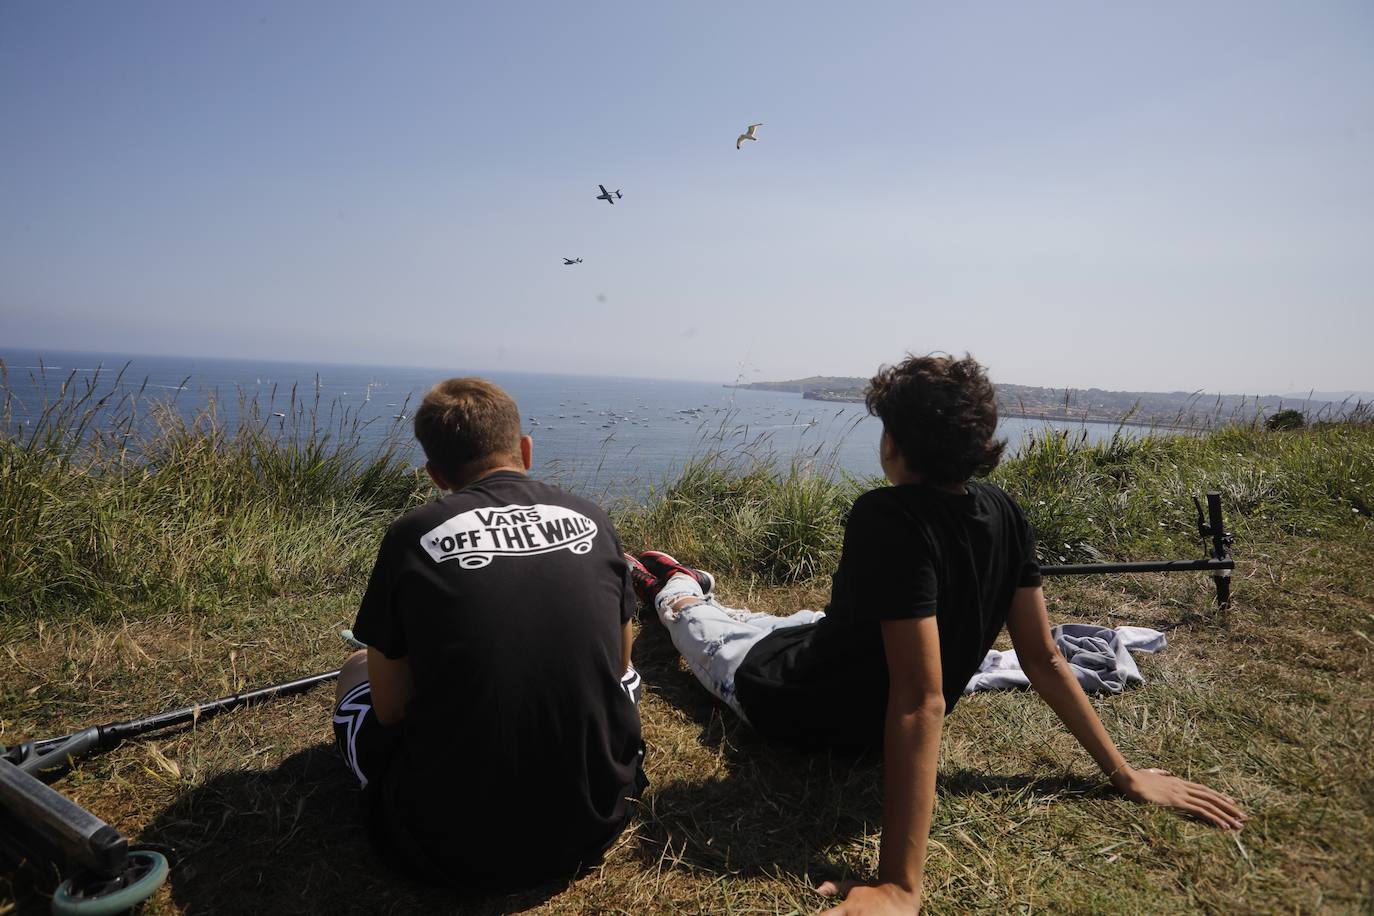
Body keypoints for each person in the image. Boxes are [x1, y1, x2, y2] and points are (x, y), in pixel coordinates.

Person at [628, 354, 1246, 915]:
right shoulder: (1004, 510)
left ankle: (671, 583)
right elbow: (1043, 656)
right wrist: (1125, 774)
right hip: (825, 648)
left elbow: (920, 700)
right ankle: (713, 597)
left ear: (893, 442)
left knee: (697, 625)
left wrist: (900, 884)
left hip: (795, 702)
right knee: (786, 622)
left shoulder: (885, 516)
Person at [331, 377, 645, 888]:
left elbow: (389, 711)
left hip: (444, 847)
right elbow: (621, 664)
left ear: (435, 475)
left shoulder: (412, 534)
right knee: (620, 684)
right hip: (592, 821)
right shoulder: (591, 516)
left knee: (354, 672)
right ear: (525, 449)